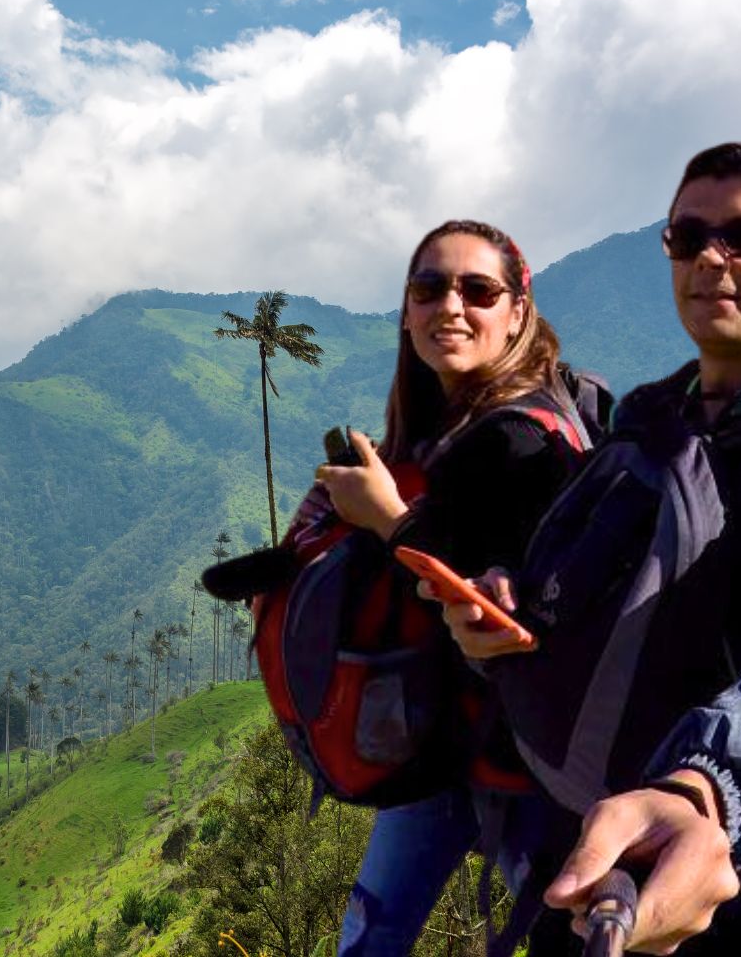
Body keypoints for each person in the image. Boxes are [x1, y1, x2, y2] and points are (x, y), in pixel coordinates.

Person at [439, 142, 741, 955]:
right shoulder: (651, 422)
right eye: (687, 236)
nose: (710, 256)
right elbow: (576, 584)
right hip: (600, 844)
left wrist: (710, 791)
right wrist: (505, 608)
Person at [315, 219, 595, 956]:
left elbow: (521, 612)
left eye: (478, 290)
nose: (450, 306)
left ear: (517, 311)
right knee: (372, 931)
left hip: (522, 759)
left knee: (564, 929)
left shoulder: (522, 440)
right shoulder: (457, 421)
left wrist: (388, 519)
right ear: (405, 311)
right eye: (429, 287)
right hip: (450, 747)